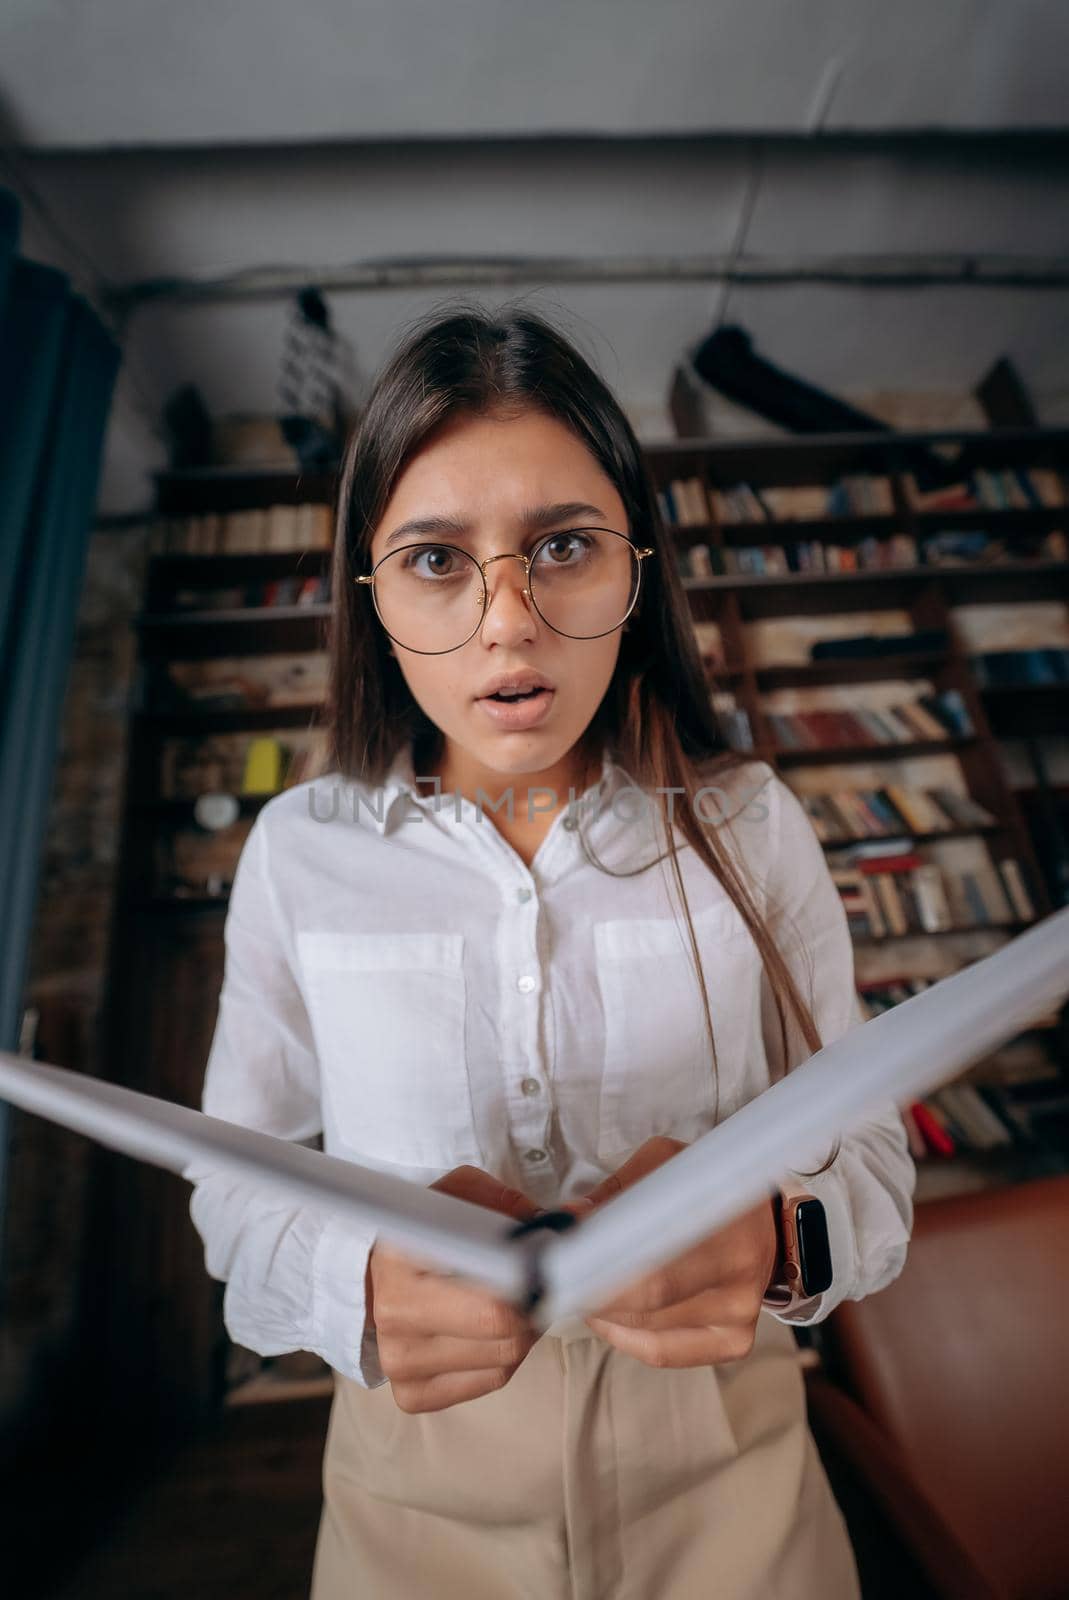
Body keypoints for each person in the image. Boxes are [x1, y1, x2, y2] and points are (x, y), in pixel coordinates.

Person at [187, 302, 915, 1599]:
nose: (507, 621)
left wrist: (777, 1240)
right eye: (433, 558)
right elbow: (234, 1187)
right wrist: (351, 1282)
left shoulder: (748, 826)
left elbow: (865, 1151)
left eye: (562, 546)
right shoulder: (302, 849)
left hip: (735, 1506)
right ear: (368, 590)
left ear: (635, 569)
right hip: (411, 1518)